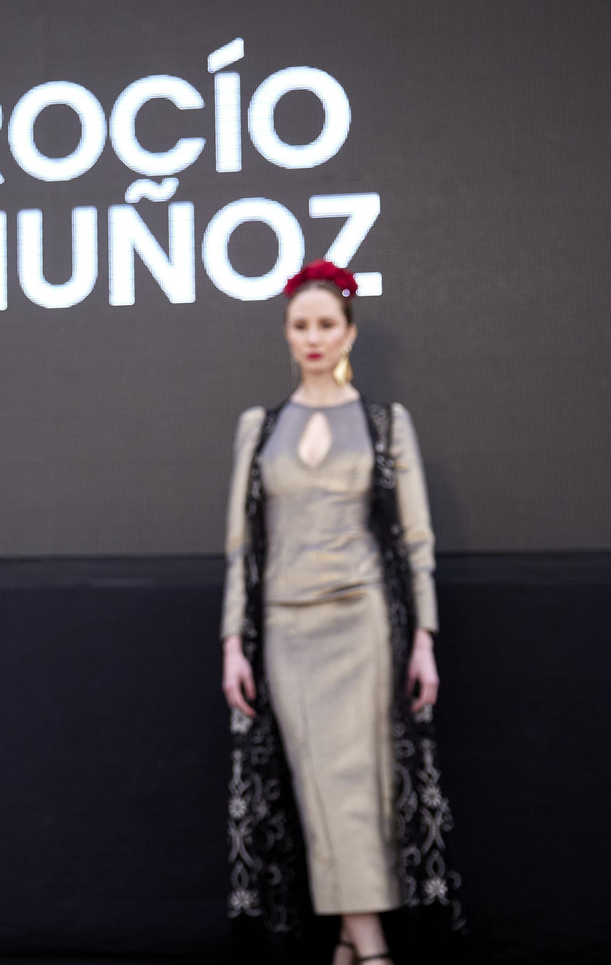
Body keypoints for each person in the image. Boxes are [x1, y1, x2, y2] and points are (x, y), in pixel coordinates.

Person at [220, 261, 462, 963]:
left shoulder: (385, 423)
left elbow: (417, 539)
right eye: (301, 325)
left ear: (349, 332)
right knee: (315, 781)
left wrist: (424, 637)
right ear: (287, 335)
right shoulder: (258, 427)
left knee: (362, 785)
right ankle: (363, 941)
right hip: (286, 628)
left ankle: (360, 943)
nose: (314, 336)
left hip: (364, 626)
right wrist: (233, 639)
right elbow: (240, 542)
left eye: (327, 324)